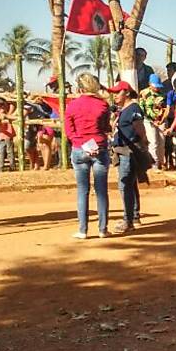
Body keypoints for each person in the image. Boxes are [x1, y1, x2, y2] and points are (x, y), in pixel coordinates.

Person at [65, 74, 112, 239]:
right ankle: (102, 229)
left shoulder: (72, 106)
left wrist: (82, 143)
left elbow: (69, 131)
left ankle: (83, 230)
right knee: (101, 191)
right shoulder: (103, 105)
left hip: (79, 149)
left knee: (82, 191)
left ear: (79, 88)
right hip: (99, 147)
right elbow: (106, 127)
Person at [108, 81, 146, 233]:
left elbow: (140, 129)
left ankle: (128, 220)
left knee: (124, 184)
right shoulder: (123, 110)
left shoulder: (134, 108)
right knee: (130, 183)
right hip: (122, 149)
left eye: (118, 92)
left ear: (127, 93)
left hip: (128, 150)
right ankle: (134, 216)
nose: (115, 96)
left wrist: (142, 146)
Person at [139, 73, 167, 169]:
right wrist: (150, 120)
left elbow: (165, 108)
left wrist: (162, 119)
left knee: (162, 141)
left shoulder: (162, 94)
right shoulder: (144, 93)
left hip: (161, 120)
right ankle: (154, 162)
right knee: (153, 142)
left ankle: (161, 162)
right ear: (150, 84)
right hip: (148, 120)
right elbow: (142, 108)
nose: (157, 88)